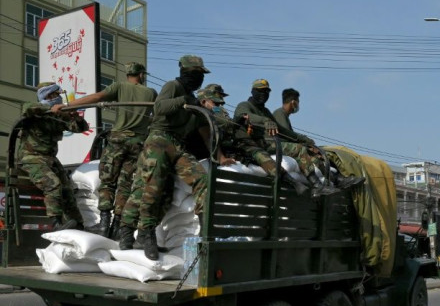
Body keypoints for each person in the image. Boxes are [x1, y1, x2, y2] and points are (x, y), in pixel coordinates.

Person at [118, 55, 234, 260]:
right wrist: (183, 101)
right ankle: (144, 234)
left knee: (201, 178)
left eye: (201, 75)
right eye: (197, 74)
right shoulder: (173, 87)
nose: (199, 79)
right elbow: (159, 107)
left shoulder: (194, 101)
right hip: (159, 139)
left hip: (178, 146)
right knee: (152, 188)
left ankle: (206, 229)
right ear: (187, 72)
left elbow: (205, 133)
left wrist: (221, 157)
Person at [53, 62, 157, 238]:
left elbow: (96, 97)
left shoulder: (119, 87)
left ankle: (103, 224)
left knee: (108, 182)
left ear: (127, 74)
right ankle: (117, 225)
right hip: (138, 143)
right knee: (125, 185)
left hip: (118, 140)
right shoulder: (151, 93)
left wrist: (68, 105)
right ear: (141, 75)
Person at [233, 79, 356, 198]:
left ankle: (336, 179)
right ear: (252, 91)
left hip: (268, 143)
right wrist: (265, 121)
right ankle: (317, 186)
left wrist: (304, 139)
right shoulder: (244, 105)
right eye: (260, 91)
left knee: (310, 153)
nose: (263, 94)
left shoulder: (265, 111)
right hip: (258, 144)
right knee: (298, 149)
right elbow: (244, 116)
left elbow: (283, 131)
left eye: (266, 92)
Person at [18, 82, 88, 230]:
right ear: (48, 95)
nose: (59, 98)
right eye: (56, 95)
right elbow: (27, 108)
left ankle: (78, 224)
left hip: (50, 159)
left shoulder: (59, 115)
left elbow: (81, 128)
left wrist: (75, 116)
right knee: (53, 184)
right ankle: (56, 224)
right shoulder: (35, 110)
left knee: (68, 190)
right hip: (32, 158)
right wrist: (51, 109)